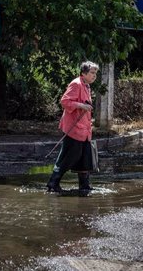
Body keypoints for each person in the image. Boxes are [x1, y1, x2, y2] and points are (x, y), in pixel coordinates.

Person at [46, 61, 99, 196]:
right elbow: (64, 101)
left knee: (85, 157)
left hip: (84, 130)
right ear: (84, 73)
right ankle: (53, 183)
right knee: (68, 157)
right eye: (92, 73)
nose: (94, 76)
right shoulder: (76, 84)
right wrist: (81, 106)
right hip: (74, 129)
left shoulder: (86, 86)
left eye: (95, 73)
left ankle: (84, 185)